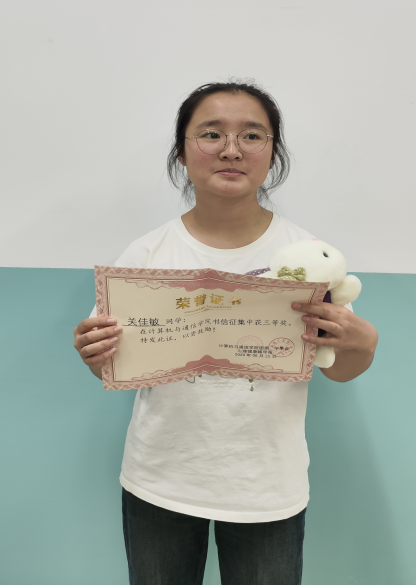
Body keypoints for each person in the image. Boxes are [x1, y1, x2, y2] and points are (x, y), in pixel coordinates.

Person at [73, 80, 378, 585]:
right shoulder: (146, 255)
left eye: (252, 135)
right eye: (211, 134)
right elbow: (111, 363)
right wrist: (94, 351)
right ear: (182, 150)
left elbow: (340, 368)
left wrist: (362, 345)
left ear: (273, 152)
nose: (231, 150)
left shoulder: (307, 257)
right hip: (159, 480)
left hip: (268, 487)